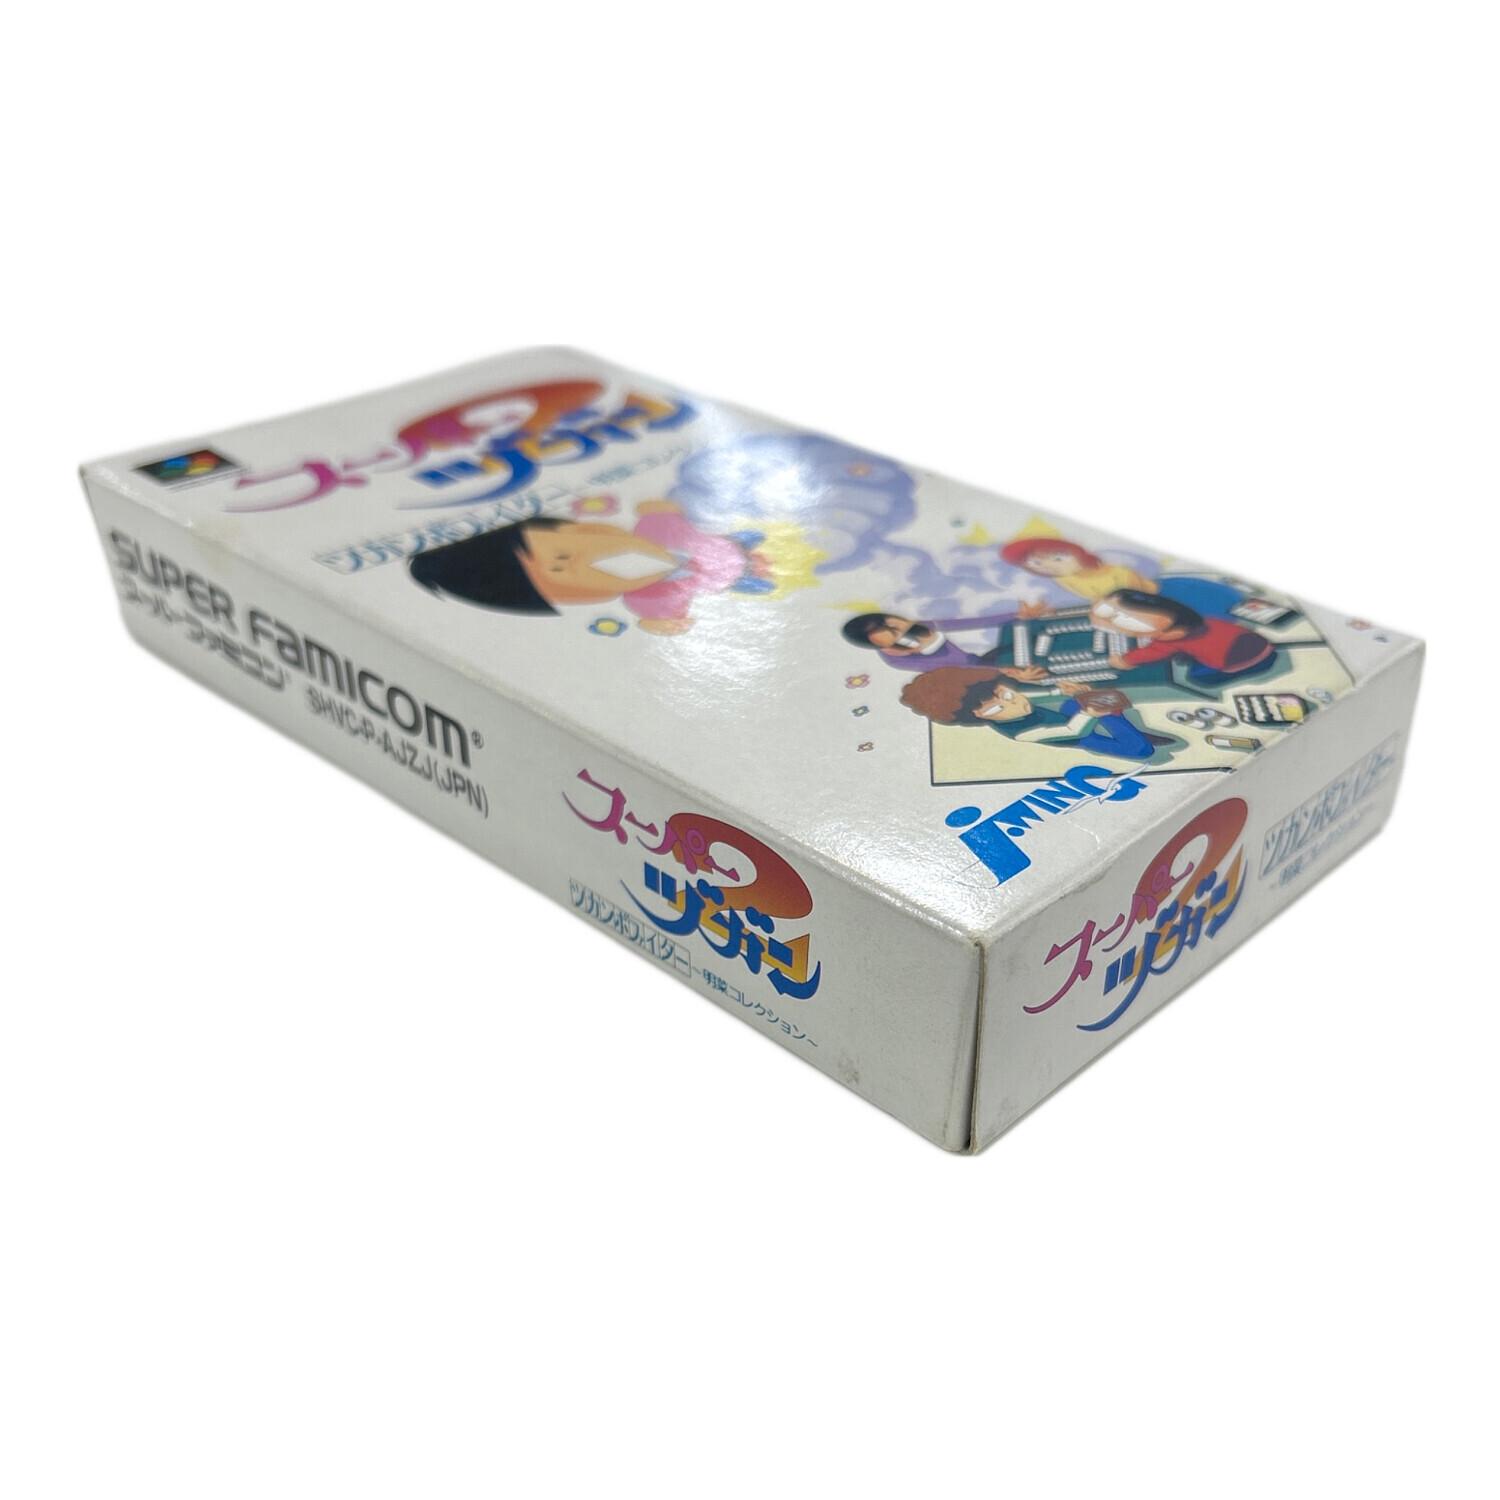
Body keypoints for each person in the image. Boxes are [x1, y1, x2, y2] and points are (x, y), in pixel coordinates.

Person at [409, 502, 770, 635]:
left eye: (562, 551)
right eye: (557, 575)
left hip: (737, 541)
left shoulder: (656, 530)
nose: (569, 562)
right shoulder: (647, 597)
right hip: (737, 580)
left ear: (594, 529)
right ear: (583, 599)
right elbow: (659, 616)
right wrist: (661, 624)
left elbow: (663, 513)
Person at [899, 666, 1168, 761]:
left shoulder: (1017, 698)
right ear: (979, 716)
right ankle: (1126, 729)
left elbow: (1039, 696)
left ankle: (1120, 723)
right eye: (997, 708)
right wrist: (1091, 712)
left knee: (1078, 700)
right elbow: (1072, 730)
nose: (1015, 704)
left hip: (1068, 715)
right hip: (1076, 734)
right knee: (1141, 751)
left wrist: (1063, 689)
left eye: (1007, 695)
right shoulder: (1021, 734)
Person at [1092, 589, 1274, 683]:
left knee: (1198, 678)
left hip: (1236, 661)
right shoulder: (1206, 619)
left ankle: (1234, 674)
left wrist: (1123, 660)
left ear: (1174, 632)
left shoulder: (1170, 640)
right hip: (1259, 642)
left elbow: (1148, 654)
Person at [841, 611, 1018, 672]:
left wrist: (1017, 615)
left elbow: (974, 622)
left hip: (988, 658)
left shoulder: (919, 626)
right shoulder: (897, 659)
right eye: (896, 634)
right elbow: (965, 668)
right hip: (984, 671)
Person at [1000, 537, 1157, 603]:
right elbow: (1097, 599)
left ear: (1078, 553)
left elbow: (1142, 598)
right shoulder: (1064, 579)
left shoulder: (1120, 573)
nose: (1050, 566)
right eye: (1036, 563)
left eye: (1058, 558)